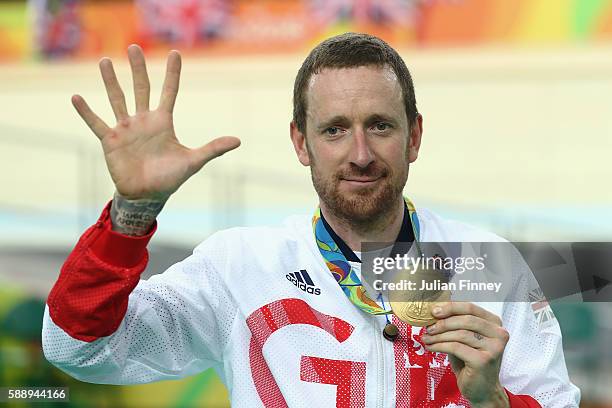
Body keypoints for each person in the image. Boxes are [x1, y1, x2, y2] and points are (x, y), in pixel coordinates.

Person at [42, 33, 580, 407]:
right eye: (335, 129)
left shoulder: (489, 264)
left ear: (414, 136)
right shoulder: (238, 266)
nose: (362, 153)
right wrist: (131, 214)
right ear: (301, 142)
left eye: (381, 126)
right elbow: (78, 348)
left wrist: (493, 403)